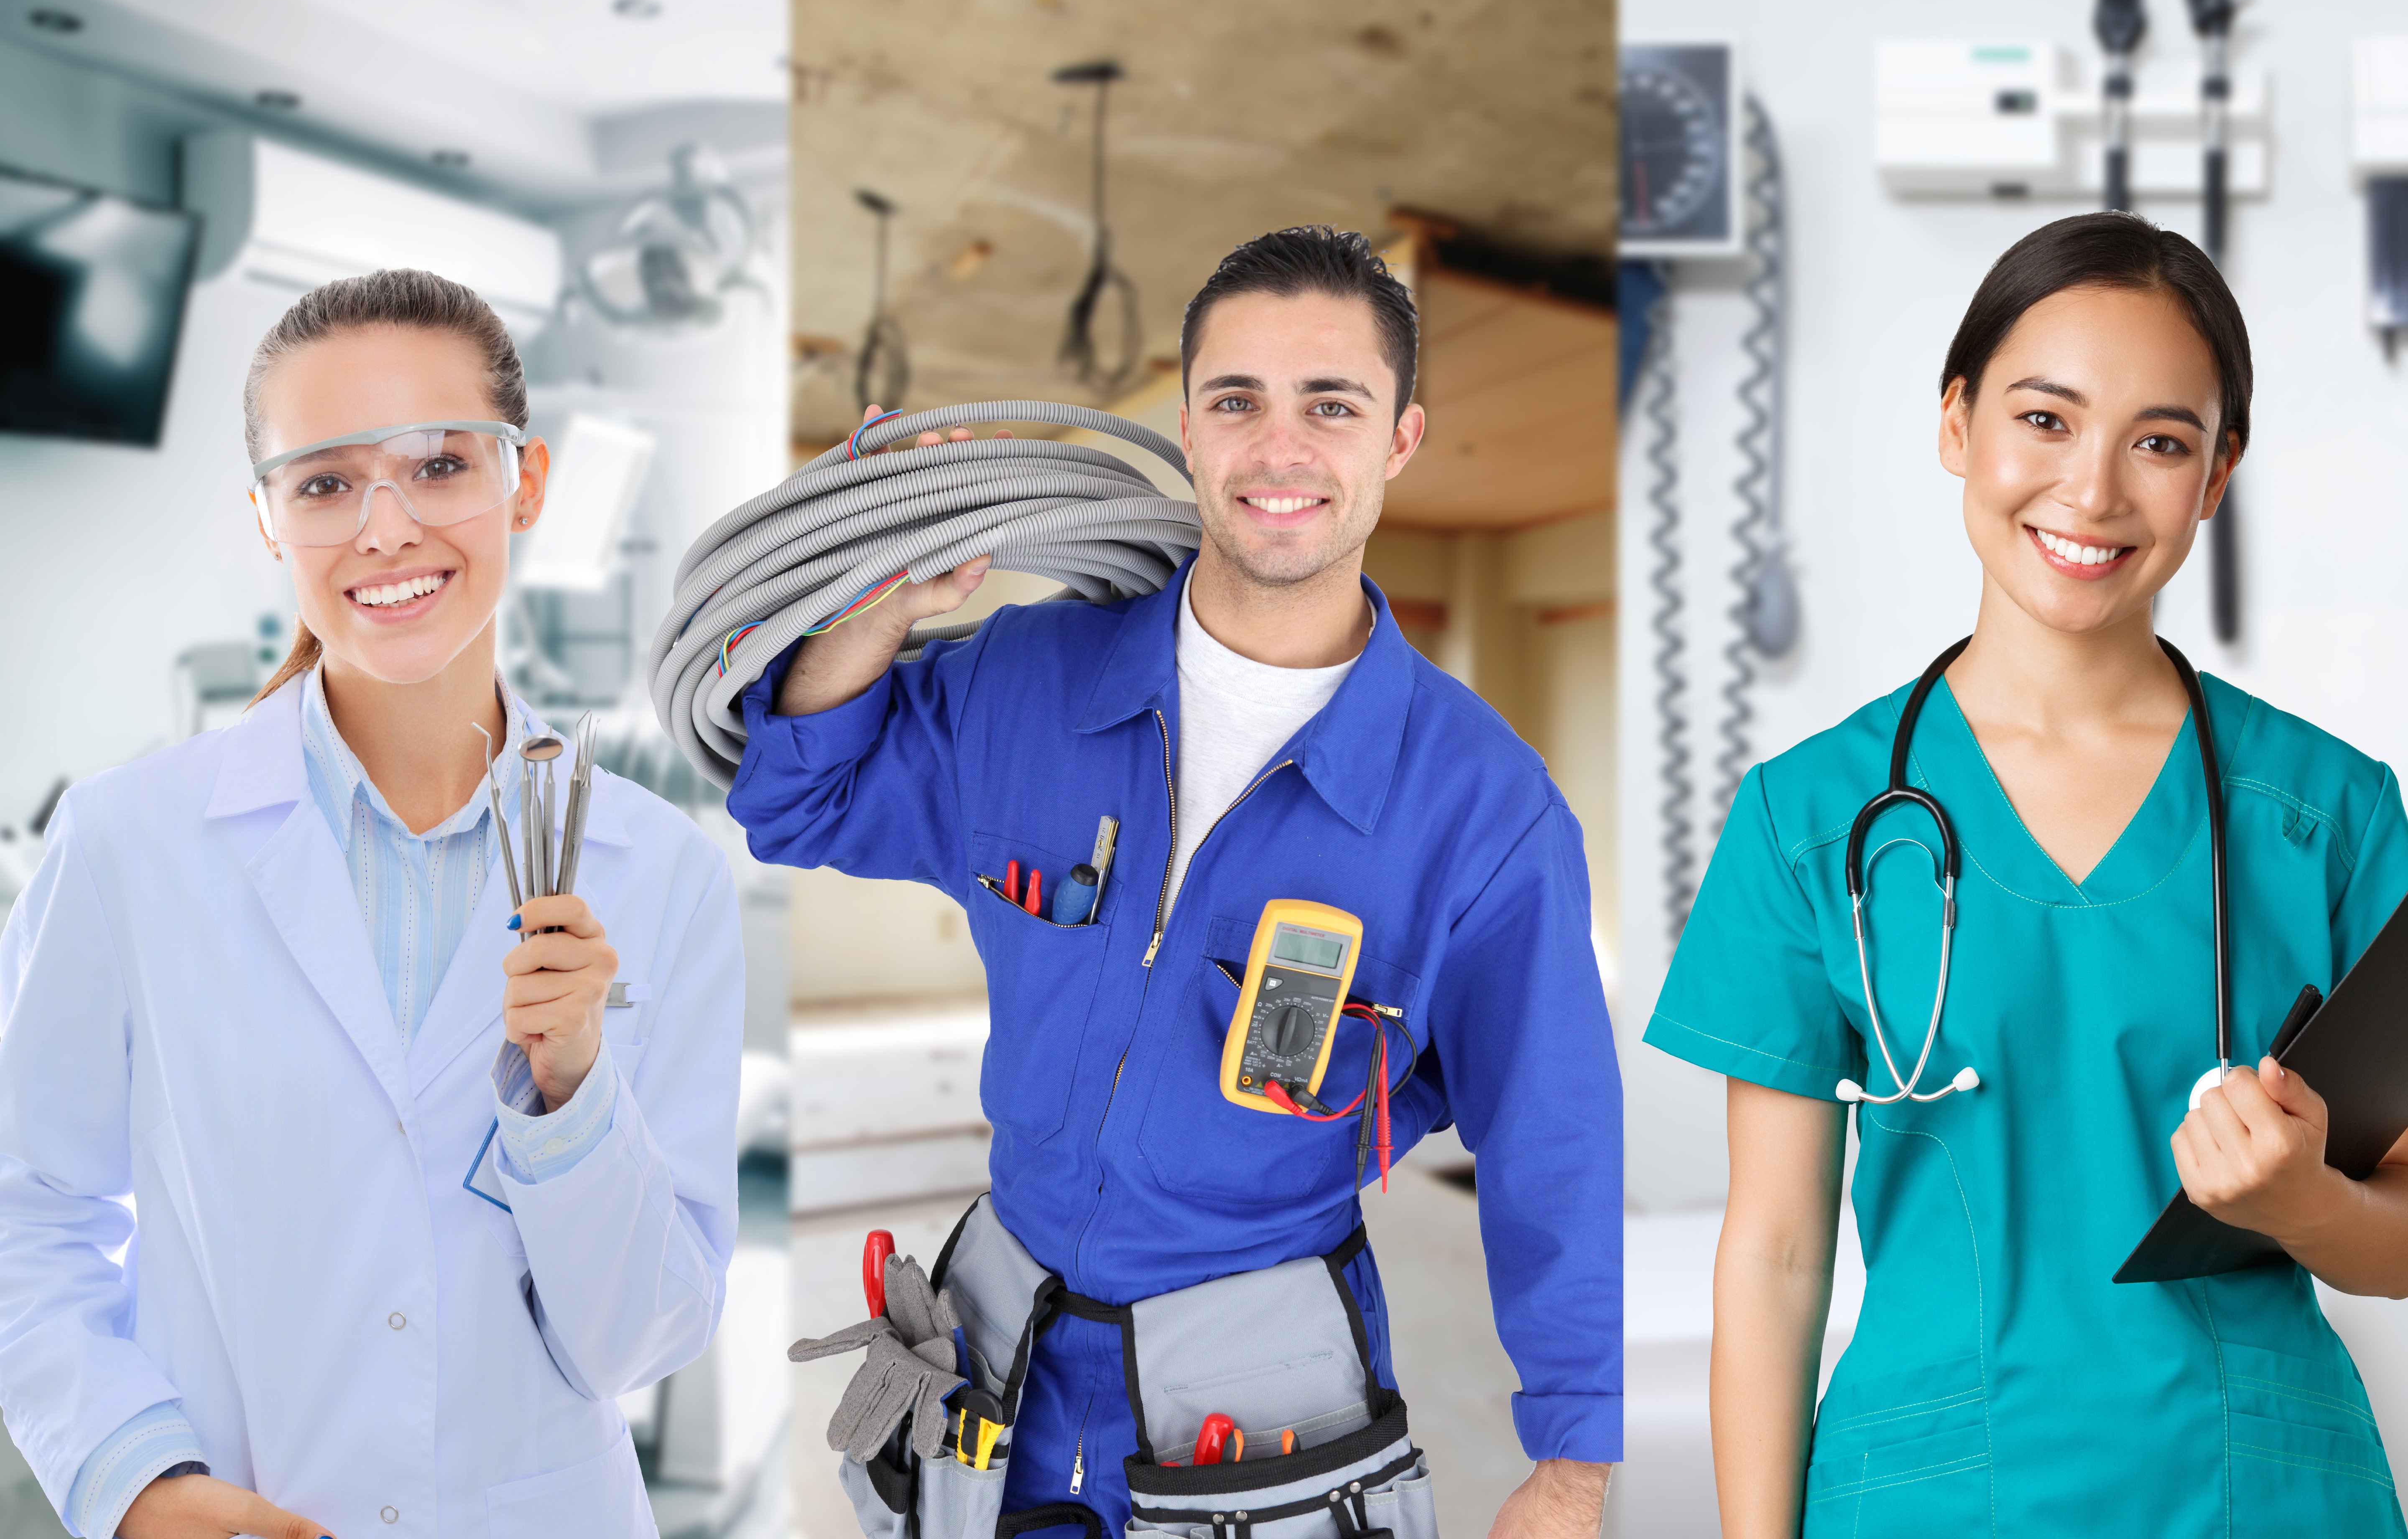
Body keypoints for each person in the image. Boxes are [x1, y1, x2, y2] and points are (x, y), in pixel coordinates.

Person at [732, 227, 1621, 1537]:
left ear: (1402, 438)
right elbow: (795, 795)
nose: (1280, 449)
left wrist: (1572, 1464)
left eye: (1333, 406)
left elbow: (1553, 1138)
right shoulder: (1028, 684)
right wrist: (877, 602)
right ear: (1190, 429)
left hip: (1261, 1381)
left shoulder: (1482, 810)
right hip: (1000, 1342)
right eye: (1237, 401)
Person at [1648, 211, 2408, 1536]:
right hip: (1935, 1495)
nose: (2095, 490)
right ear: (1958, 425)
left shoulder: (2329, 813)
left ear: (2218, 475)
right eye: (2045, 420)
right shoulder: (1807, 818)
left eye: (2161, 442)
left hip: (2258, 1495)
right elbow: (1775, 1257)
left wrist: (2310, 1205)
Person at [0, 269, 745, 1539]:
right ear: (266, 518)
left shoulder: (661, 869)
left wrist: (572, 1093)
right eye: (328, 483)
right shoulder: (128, 842)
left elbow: (644, 1337)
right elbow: (26, 1212)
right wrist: (135, 1478)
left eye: (441, 465)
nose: (387, 528)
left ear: (529, 483)